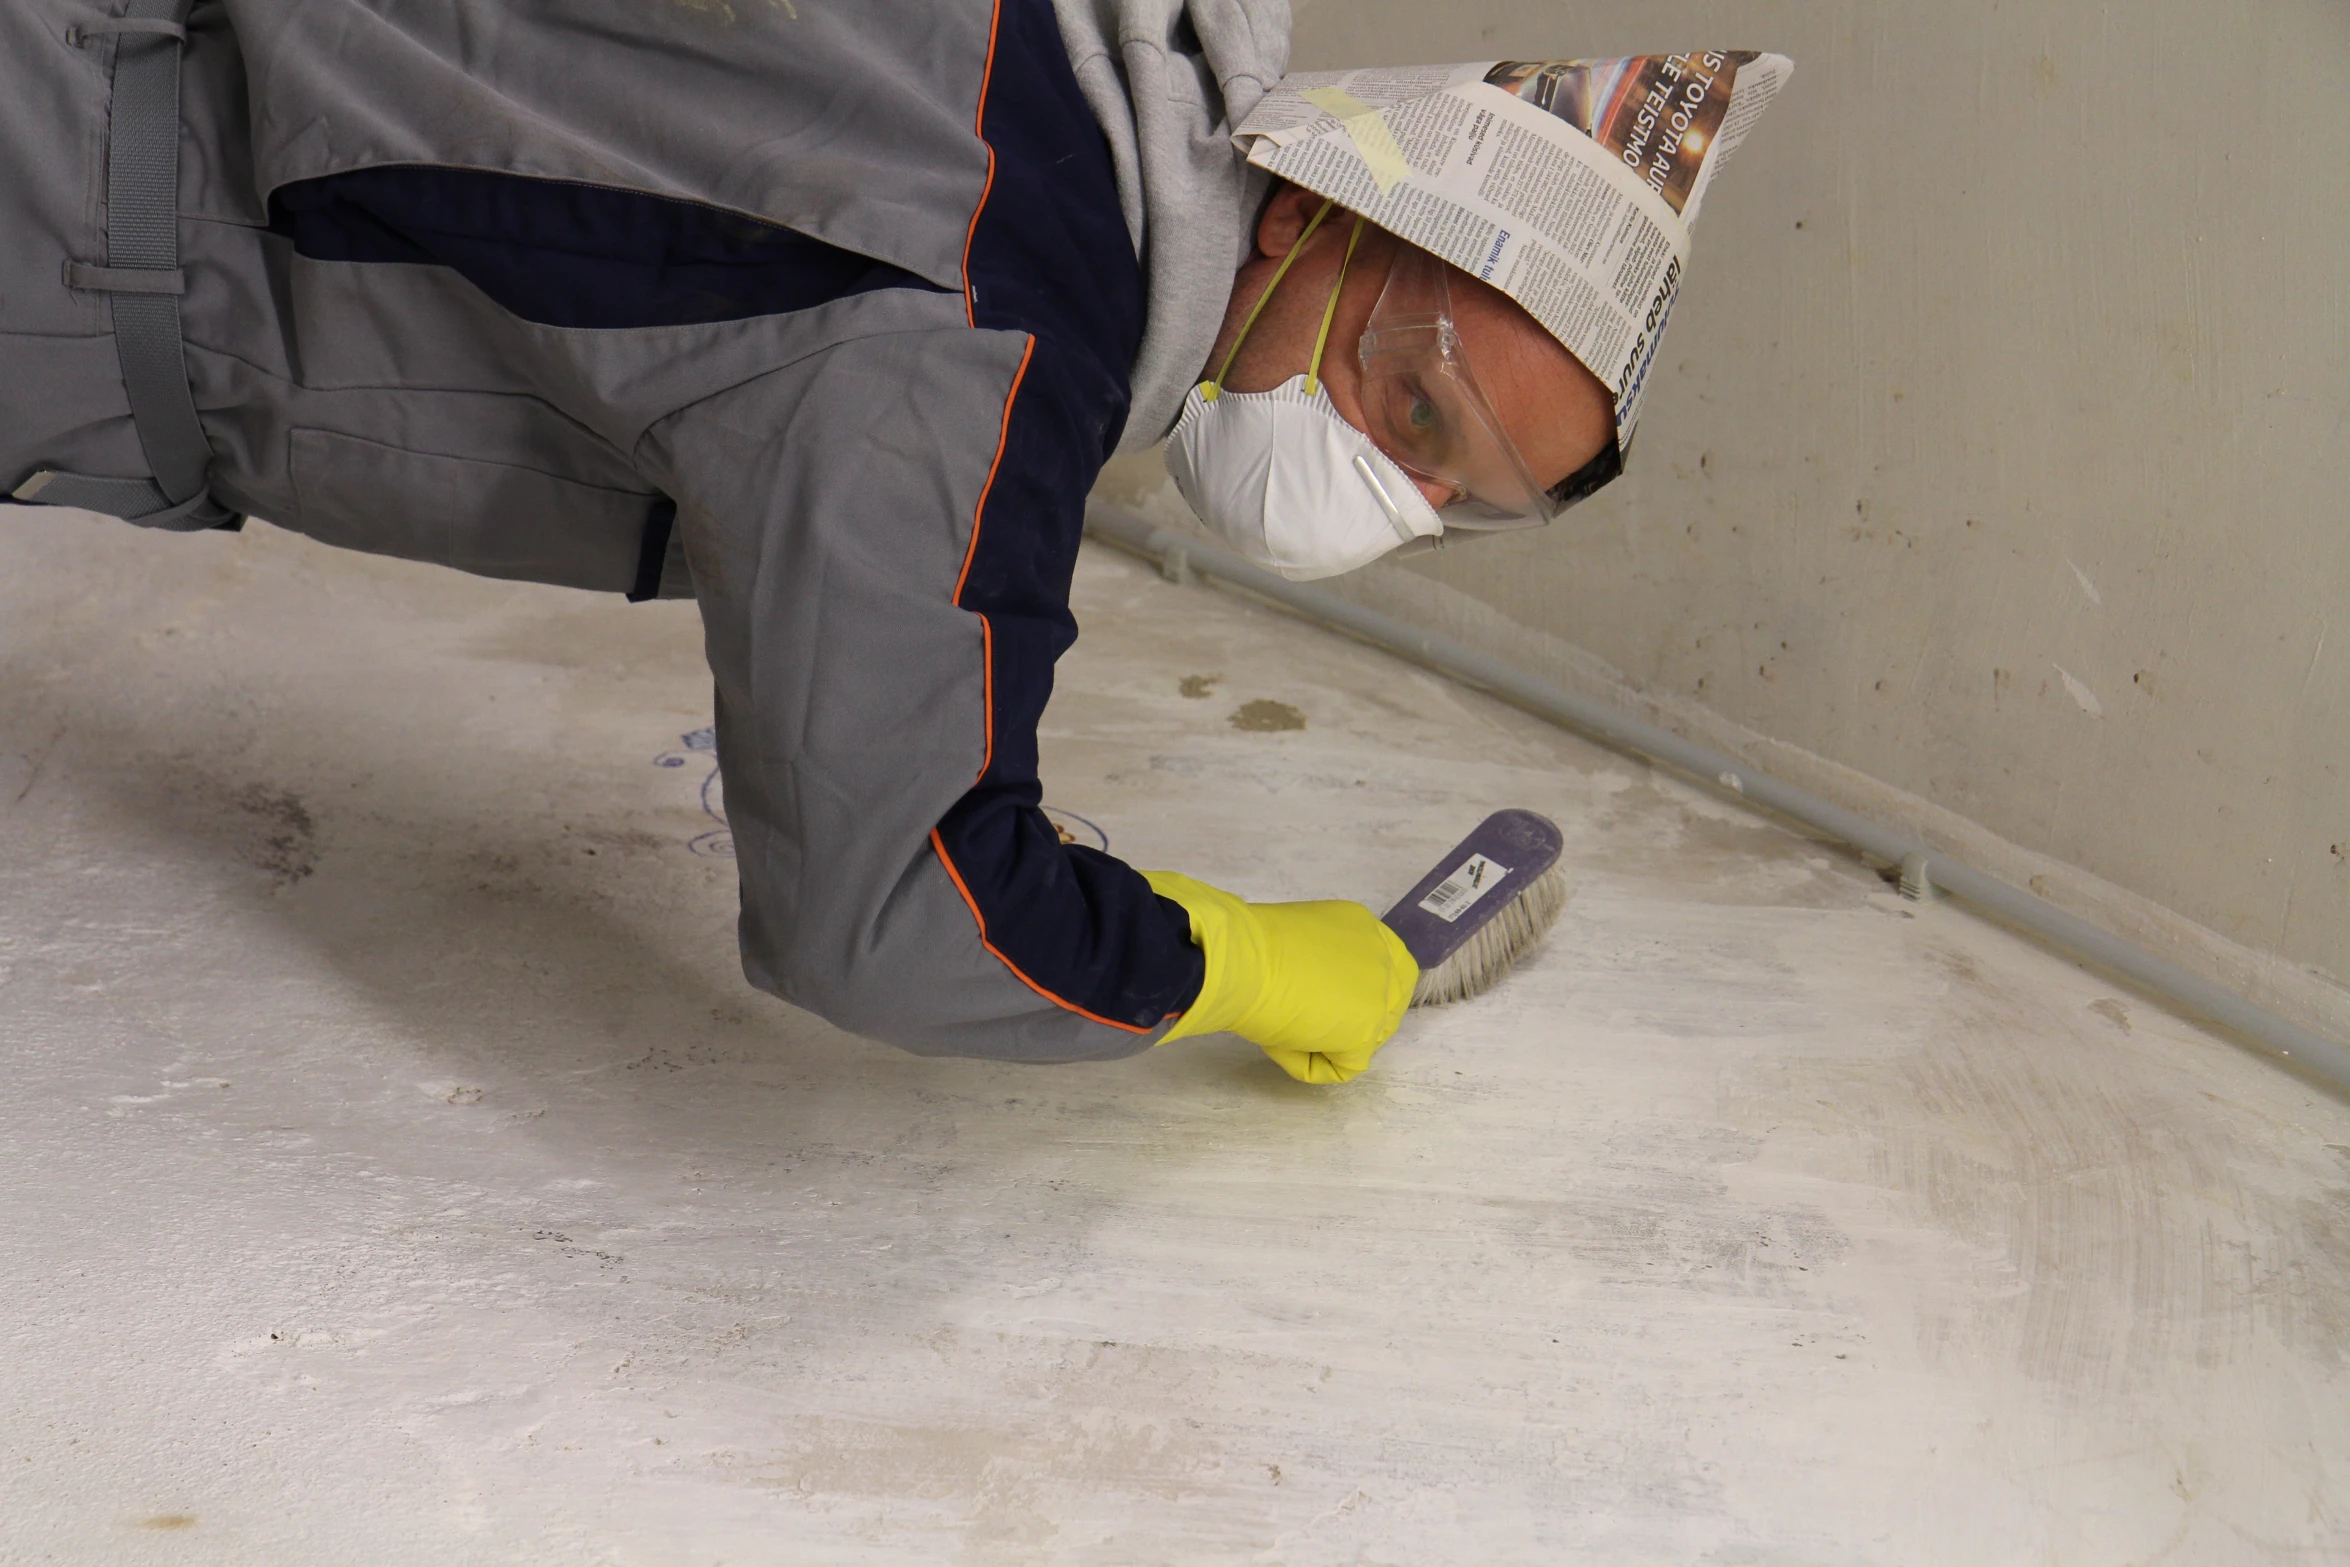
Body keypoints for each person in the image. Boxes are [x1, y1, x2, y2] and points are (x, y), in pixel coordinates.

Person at [2, 0, 1616, 1084]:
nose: (1390, 498)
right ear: (1308, 213)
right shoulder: (971, 340)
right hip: (57, 241)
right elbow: (903, 919)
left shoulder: (1046, 44)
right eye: (1411, 413)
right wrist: (1235, 962)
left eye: (1455, 503)